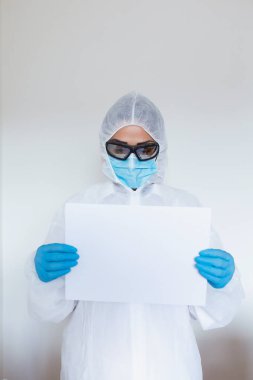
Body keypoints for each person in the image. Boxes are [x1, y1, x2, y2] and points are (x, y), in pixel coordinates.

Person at [26, 91, 244, 380]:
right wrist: (43, 277)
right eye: (119, 148)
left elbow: (217, 313)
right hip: (95, 368)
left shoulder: (184, 208)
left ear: (160, 148)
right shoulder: (79, 208)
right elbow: (48, 312)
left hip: (170, 367)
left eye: (144, 149)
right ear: (104, 148)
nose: (131, 160)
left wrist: (223, 283)